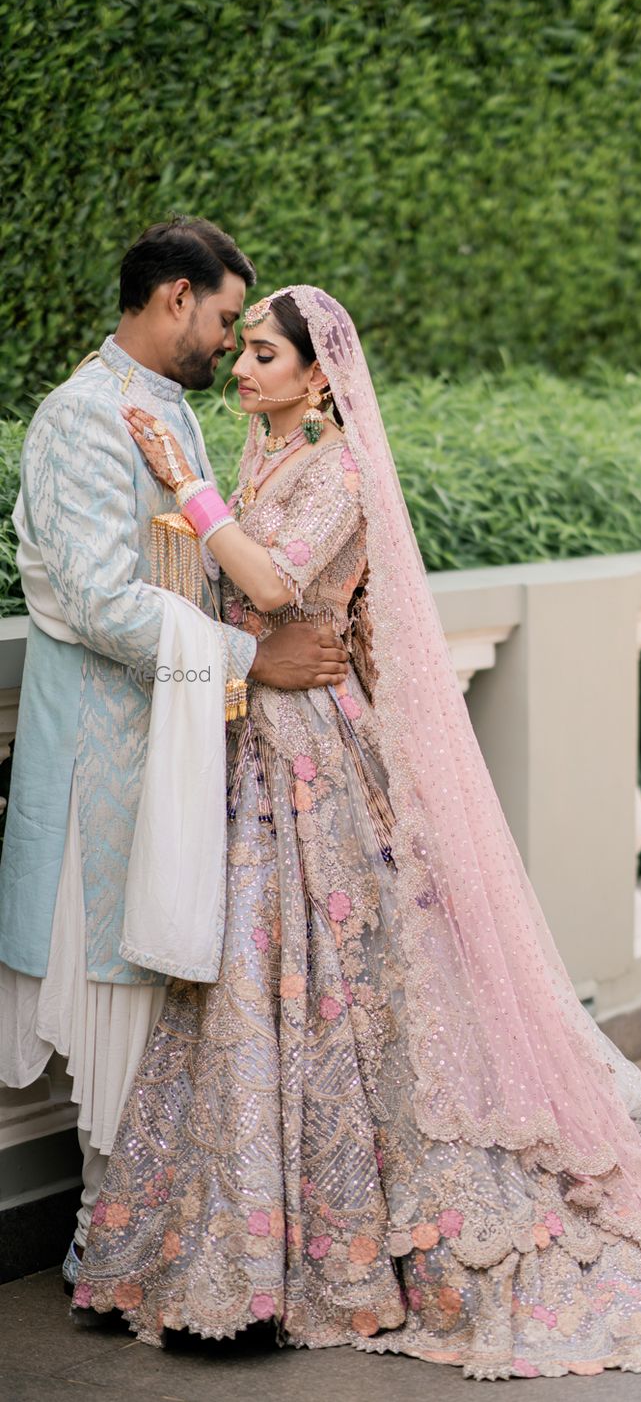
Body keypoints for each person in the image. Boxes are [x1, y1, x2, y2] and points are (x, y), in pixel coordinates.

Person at [73, 286, 641, 1380]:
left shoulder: (335, 471)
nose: (243, 368)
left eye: (264, 355)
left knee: (326, 994)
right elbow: (237, 600)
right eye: (244, 351)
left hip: (314, 762)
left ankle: (337, 1256)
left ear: (318, 378)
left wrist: (188, 489)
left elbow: (273, 578)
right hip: (253, 743)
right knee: (248, 993)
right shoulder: (262, 462)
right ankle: (231, 1253)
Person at [0, 226, 348, 1300]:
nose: (228, 347)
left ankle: (140, 1240)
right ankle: (112, 1246)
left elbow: (204, 567)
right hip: (105, 753)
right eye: (221, 322)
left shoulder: (179, 415)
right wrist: (257, 661)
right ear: (174, 298)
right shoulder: (78, 419)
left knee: (166, 1004)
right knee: (122, 997)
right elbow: (104, 603)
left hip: (184, 745)